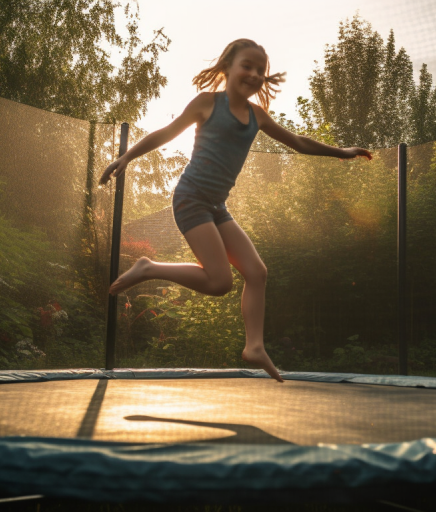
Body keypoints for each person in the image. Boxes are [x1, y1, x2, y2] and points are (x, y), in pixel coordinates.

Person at [98, 39, 372, 382]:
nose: (255, 74)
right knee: (219, 282)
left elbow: (299, 143)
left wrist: (341, 151)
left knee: (257, 272)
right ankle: (150, 268)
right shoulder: (207, 104)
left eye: (261, 70)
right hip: (191, 199)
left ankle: (254, 347)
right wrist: (127, 156)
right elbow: (166, 133)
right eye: (247, 66)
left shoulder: (258, 115)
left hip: (216, 205)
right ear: (227, 67)